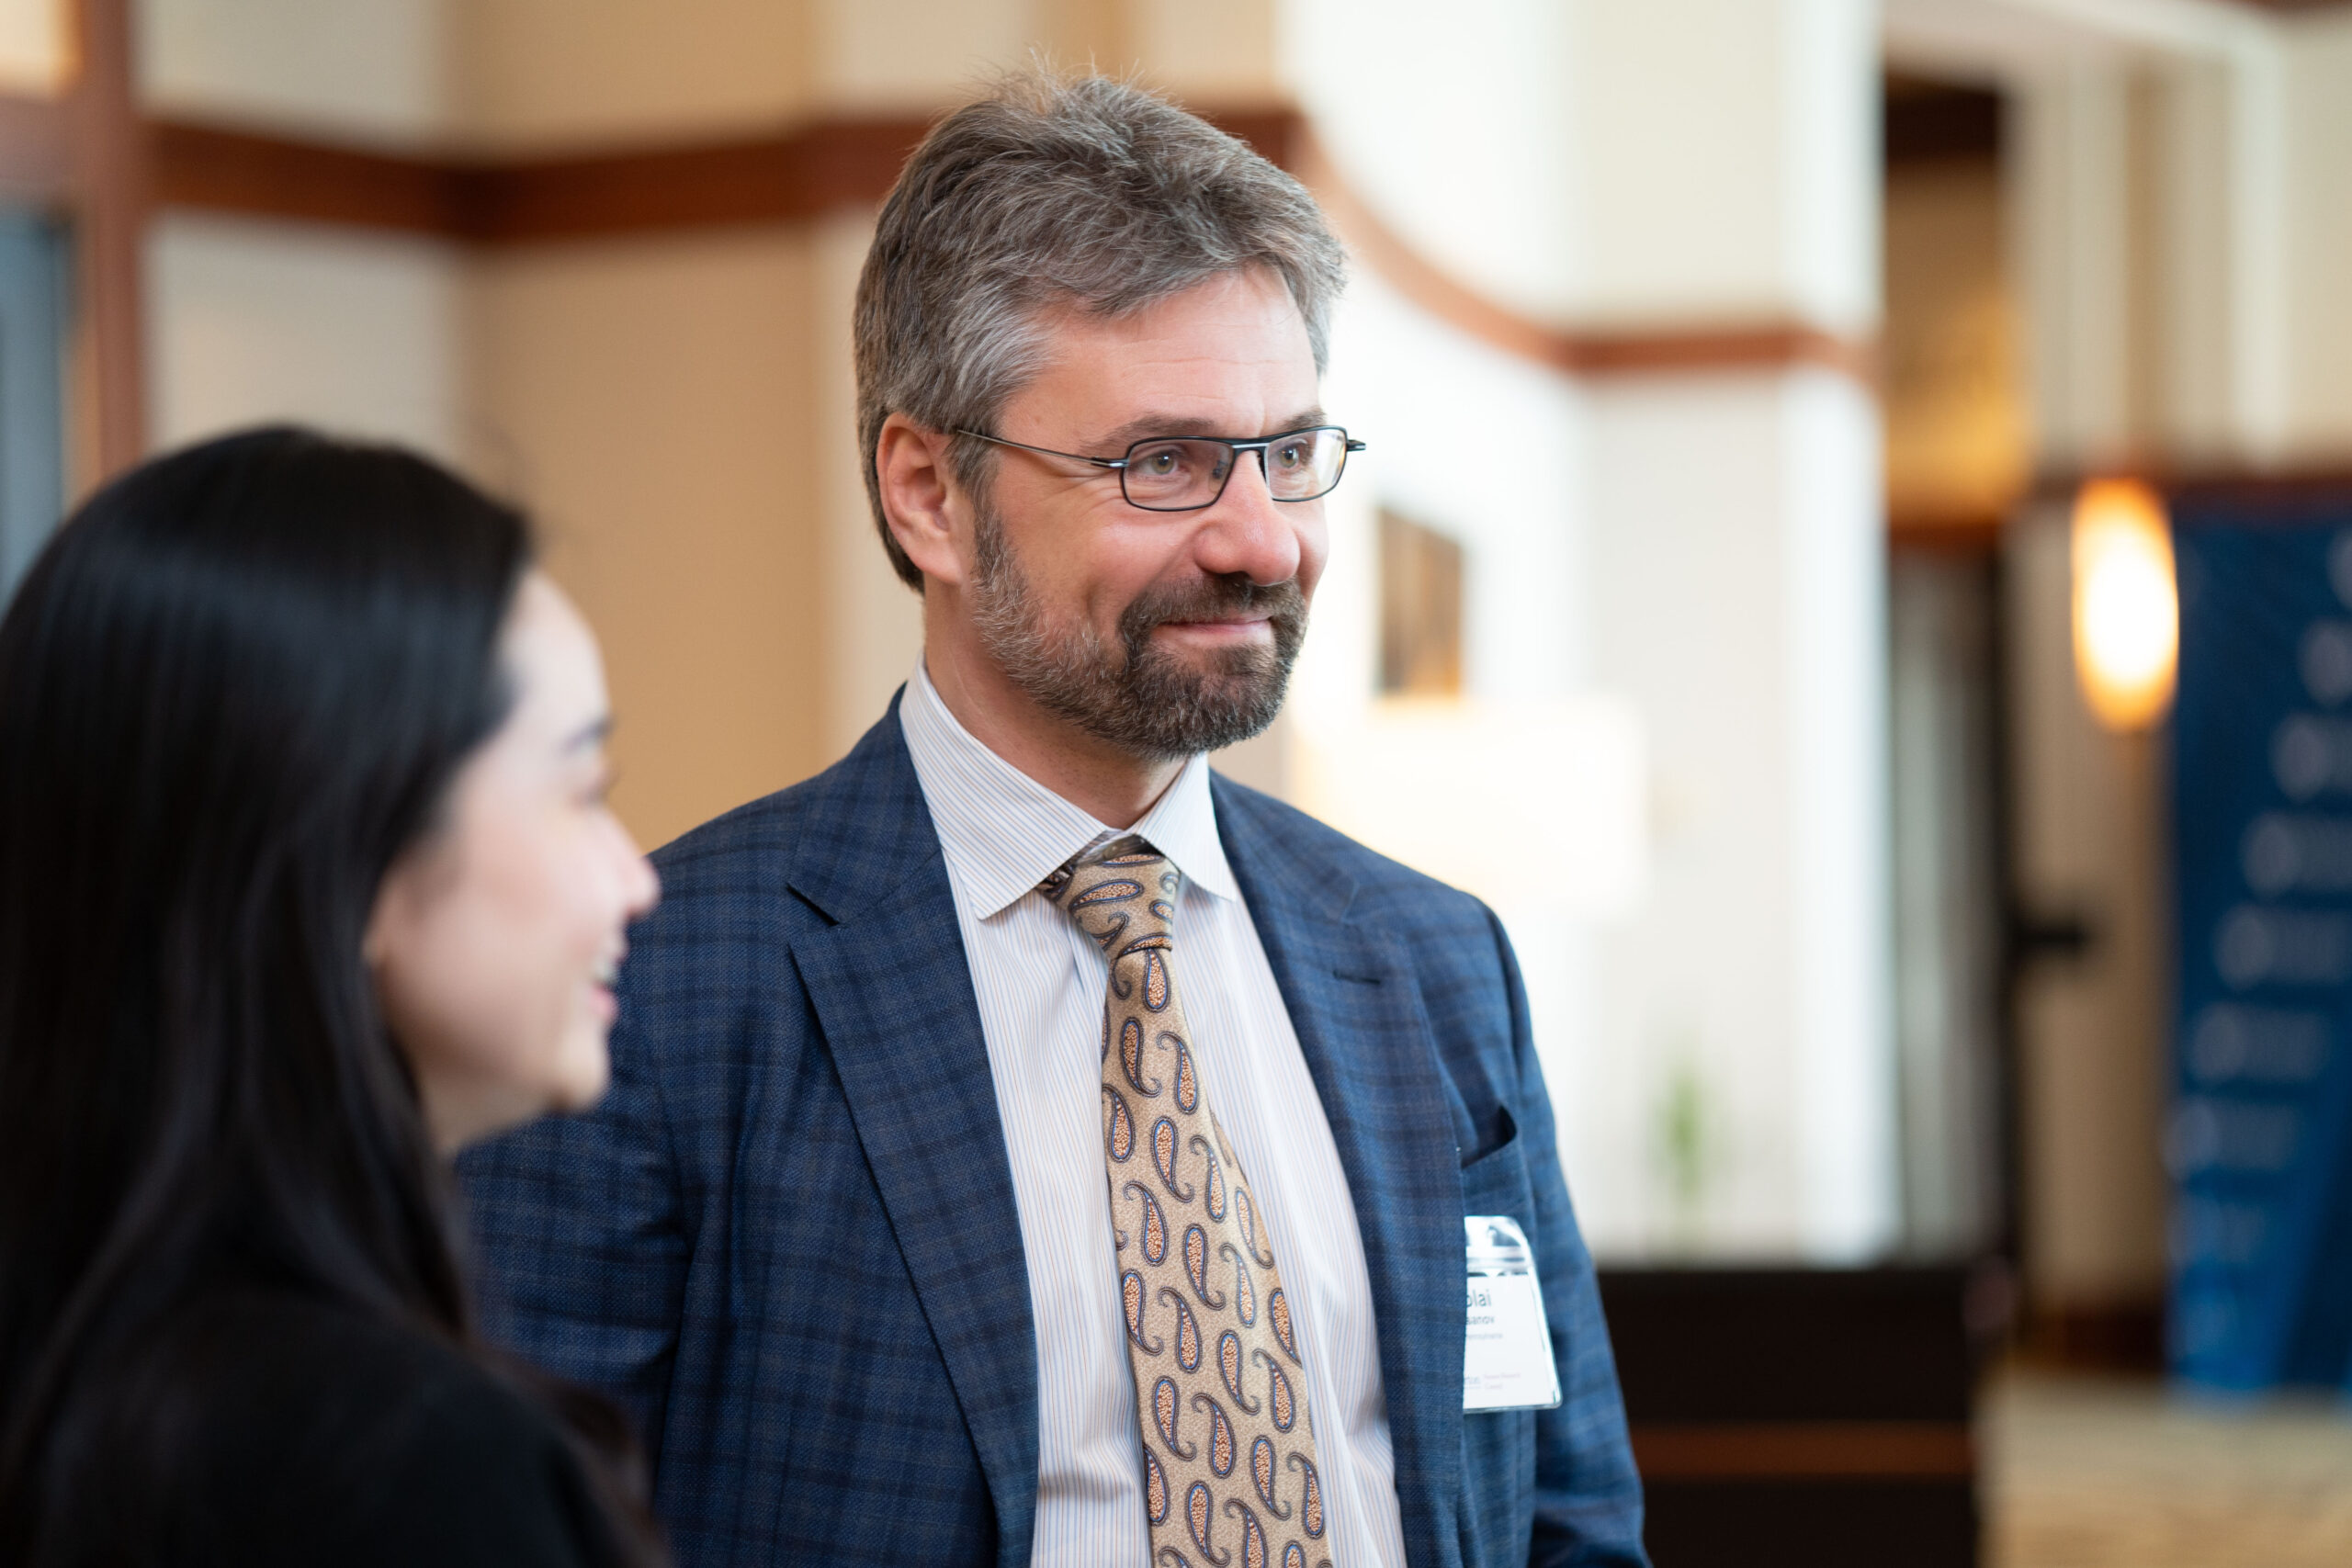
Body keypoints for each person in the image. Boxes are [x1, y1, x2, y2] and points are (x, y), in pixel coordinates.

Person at [461, 70, 1648, 1568]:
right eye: (1164, 462)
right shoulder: (657, 988)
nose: (1261, 537)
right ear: (927, 495)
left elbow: (1567, 1516)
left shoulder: (1434, 960)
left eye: (1291, 451)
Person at [0, 427, 666, 1566]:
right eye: (579, 791)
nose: (637, 879)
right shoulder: (411, 1469)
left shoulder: (83, 1376)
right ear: (353, 856)